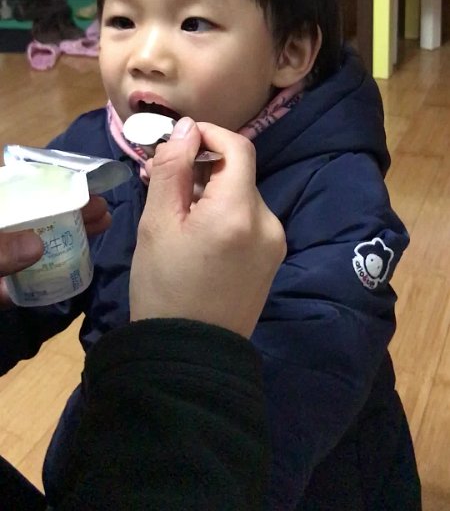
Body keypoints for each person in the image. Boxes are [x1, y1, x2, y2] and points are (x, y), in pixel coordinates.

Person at [1, 0, 421, 510]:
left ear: (288, 52)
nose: (145, 55)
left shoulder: (333, 190)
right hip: (127, 439)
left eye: (193, 22)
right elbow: (38, 284)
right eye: (122, 19)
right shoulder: (95, 151)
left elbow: (313, 372)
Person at [1, 119, 285, 509]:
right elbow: (39, 303)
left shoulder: (332, 188)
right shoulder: (86, 144)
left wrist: (187, 356)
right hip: (101, 457)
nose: (143, 63)